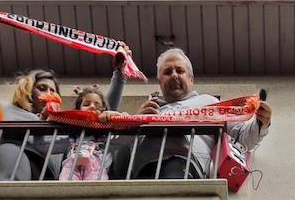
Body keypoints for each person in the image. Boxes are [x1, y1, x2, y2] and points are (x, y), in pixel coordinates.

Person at [0, 1, 128, 181]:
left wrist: (120, 71)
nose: (48, 92)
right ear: (28, 90)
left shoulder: (64, 121)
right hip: (14, 160)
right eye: (42, 88)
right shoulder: (7, 111)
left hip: (48, 173)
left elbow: (100, 113)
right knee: (10, 153)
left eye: (53, 90)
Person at [108, 47, 272, 180]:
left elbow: (242, 137)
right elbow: (106, 123)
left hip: (182, 164)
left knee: (173, 195)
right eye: (167, 72)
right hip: (140, 169)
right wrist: (136, 122)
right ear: (160, 82)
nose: (174, 75)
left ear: (191, 78)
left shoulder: (208, 103)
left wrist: (260, 123)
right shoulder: (150, 107)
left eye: (179, 71)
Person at [58, 86, 117, 181]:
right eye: (86, 104)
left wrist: (114, 116)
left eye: (97, 106)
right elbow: (43, 146)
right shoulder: (70, 136)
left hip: (97, 172)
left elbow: (128, 135)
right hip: (71, 170)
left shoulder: (108, 136)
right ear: (78, 110)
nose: (92, 107)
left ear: (104, 111)